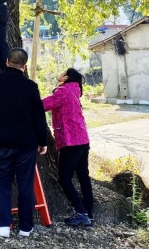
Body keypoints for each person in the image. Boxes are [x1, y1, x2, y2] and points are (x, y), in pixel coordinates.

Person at [0, 48, 48, 238]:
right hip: (26, 144)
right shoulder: (31, 86)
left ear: (7, 62)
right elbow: (39, 116)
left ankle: (3, 225)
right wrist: (42, 141)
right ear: (24, 66)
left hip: (1, 142)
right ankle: (26, 227)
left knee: (2, 184)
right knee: (25, 184)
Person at [42, 68, 94, 226]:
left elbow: (43, 105)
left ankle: (81, 212)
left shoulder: (63, 91)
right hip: (82, 139)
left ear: (66, 77)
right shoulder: (75, 90)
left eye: (62, 73)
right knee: (83, 176)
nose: (60, 74)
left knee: (64, 178)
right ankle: (89, 212)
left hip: (71, 140)